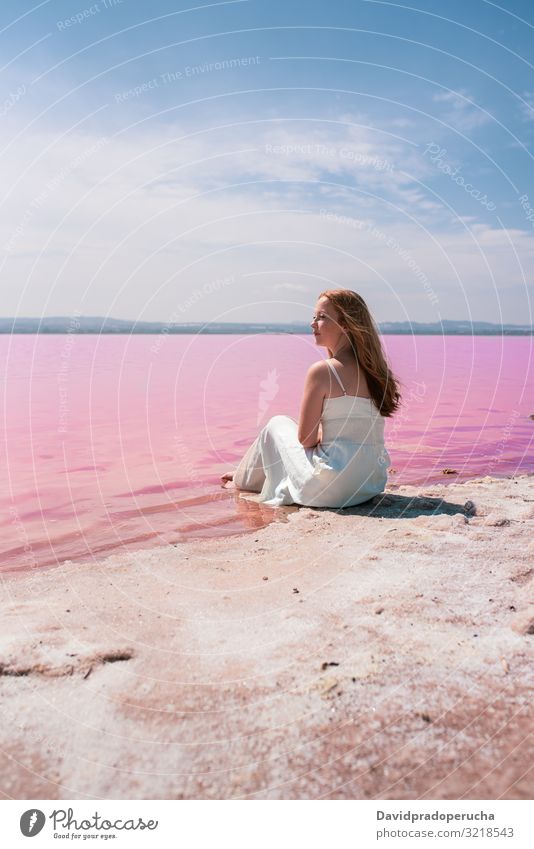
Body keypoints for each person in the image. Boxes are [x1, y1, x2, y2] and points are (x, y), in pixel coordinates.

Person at [221, 289, 401, 508]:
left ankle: (242, 480)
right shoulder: (378, 373)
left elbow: (306, 440)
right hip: (368, 485)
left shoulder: (322, 372)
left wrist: (321, 437)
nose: (313, 323)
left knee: (276, 424)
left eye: (322, 317)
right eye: (314, 317)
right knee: (290, 436)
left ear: (346, 324)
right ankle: (243, 474)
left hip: (329, 491)